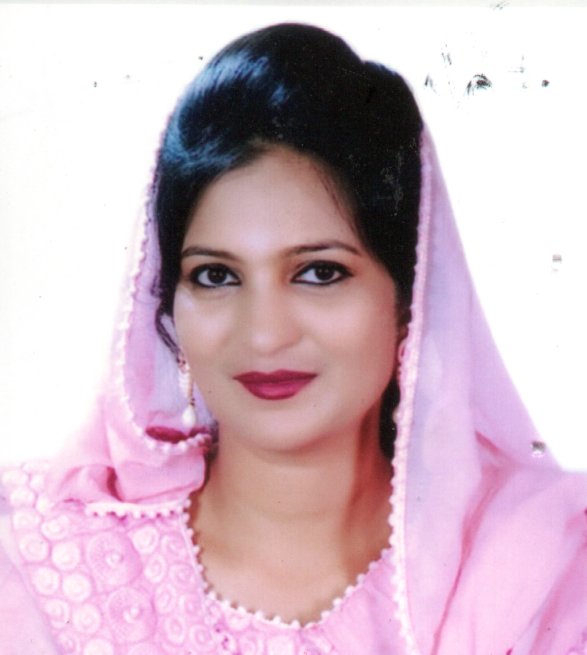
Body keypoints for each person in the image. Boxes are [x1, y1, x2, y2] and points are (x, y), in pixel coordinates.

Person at [0, 22, 585, 655]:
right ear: (167, 303)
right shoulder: (39, 565)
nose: (264, 333)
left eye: (319, 273)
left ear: (411, 297)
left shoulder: (541, 570)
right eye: (216, 276)